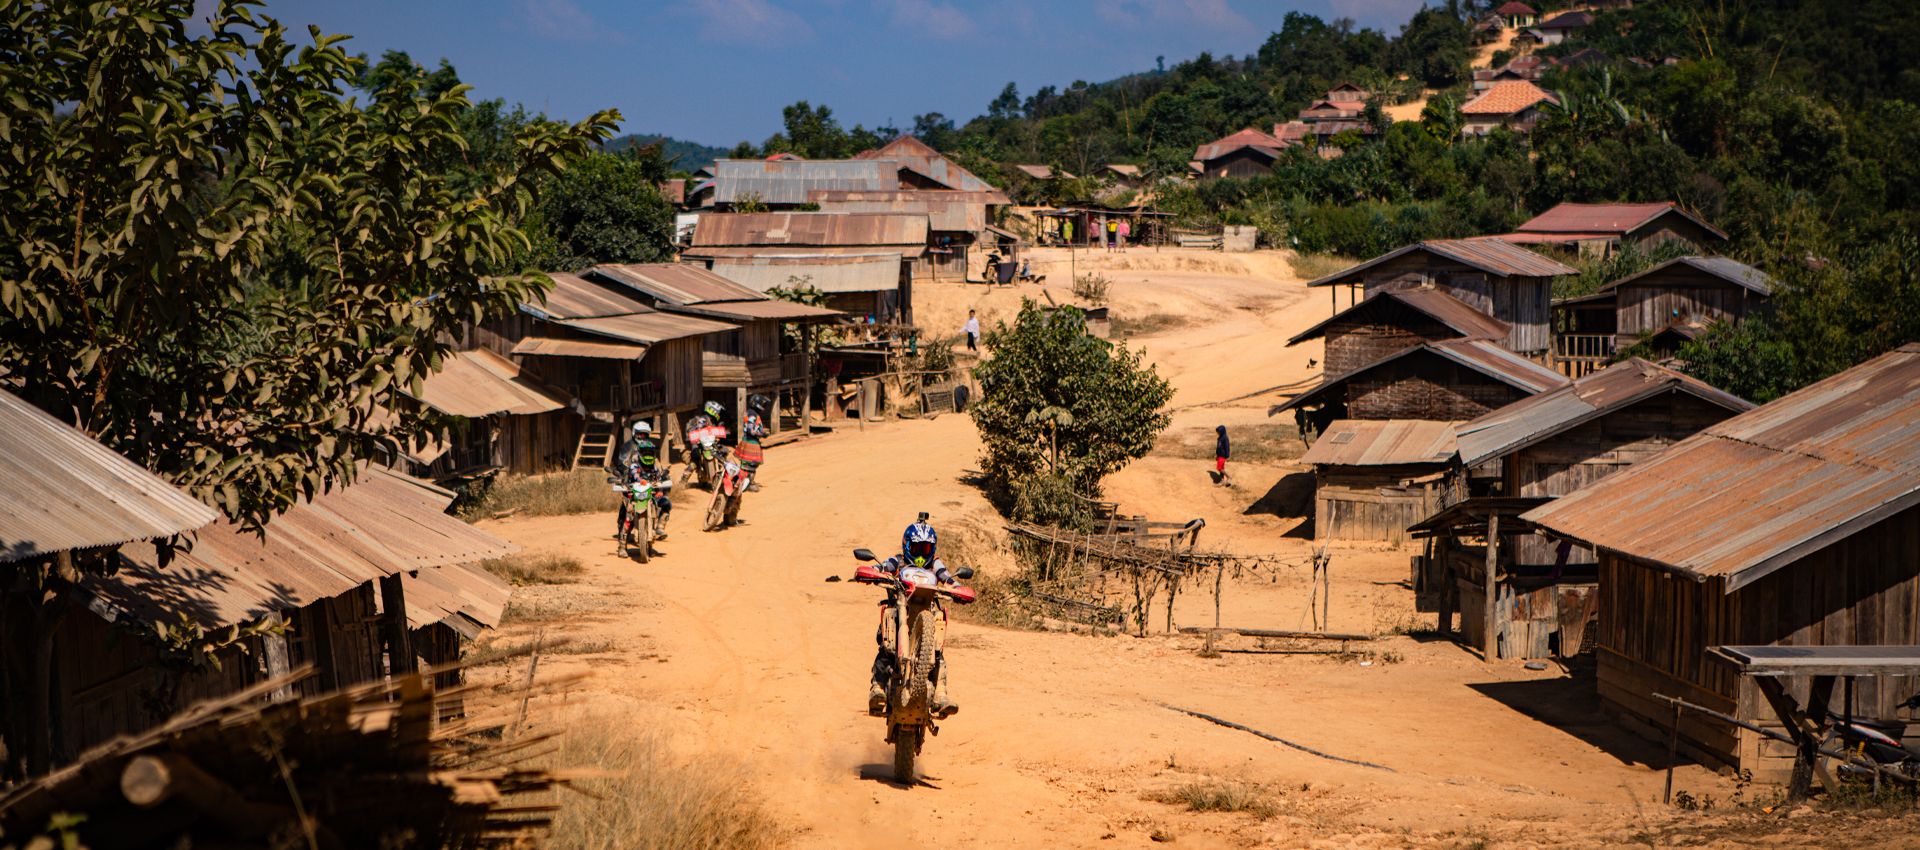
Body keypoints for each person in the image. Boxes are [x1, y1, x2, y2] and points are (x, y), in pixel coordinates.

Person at [868, 513, 959, 718]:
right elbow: (881, 567)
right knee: (885, 644)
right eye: (917, 548)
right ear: (907, 545)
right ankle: (878, 688)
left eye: (925, 548)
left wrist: (959, 588)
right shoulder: (898, 561)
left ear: (932, 549)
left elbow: (948, 579)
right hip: (900, 609)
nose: (920, 553)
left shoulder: (935, 564)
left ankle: (941, 695)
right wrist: (872, 571)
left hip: (927, 612)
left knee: (938, 654)